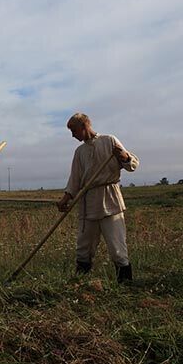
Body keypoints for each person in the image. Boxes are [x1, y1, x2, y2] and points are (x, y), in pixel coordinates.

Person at [56, 112, 139, 283]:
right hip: (89, 202)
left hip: (110, 199)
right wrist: (66, 198)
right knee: (83, 247)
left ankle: (125, 285)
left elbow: (132, 165)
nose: (72, 135)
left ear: (84, 126)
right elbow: (75, 179)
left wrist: (123, 157)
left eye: (74, 131)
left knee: (117, 247)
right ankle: (80, 283)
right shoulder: (79, 152)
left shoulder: (109, 140)